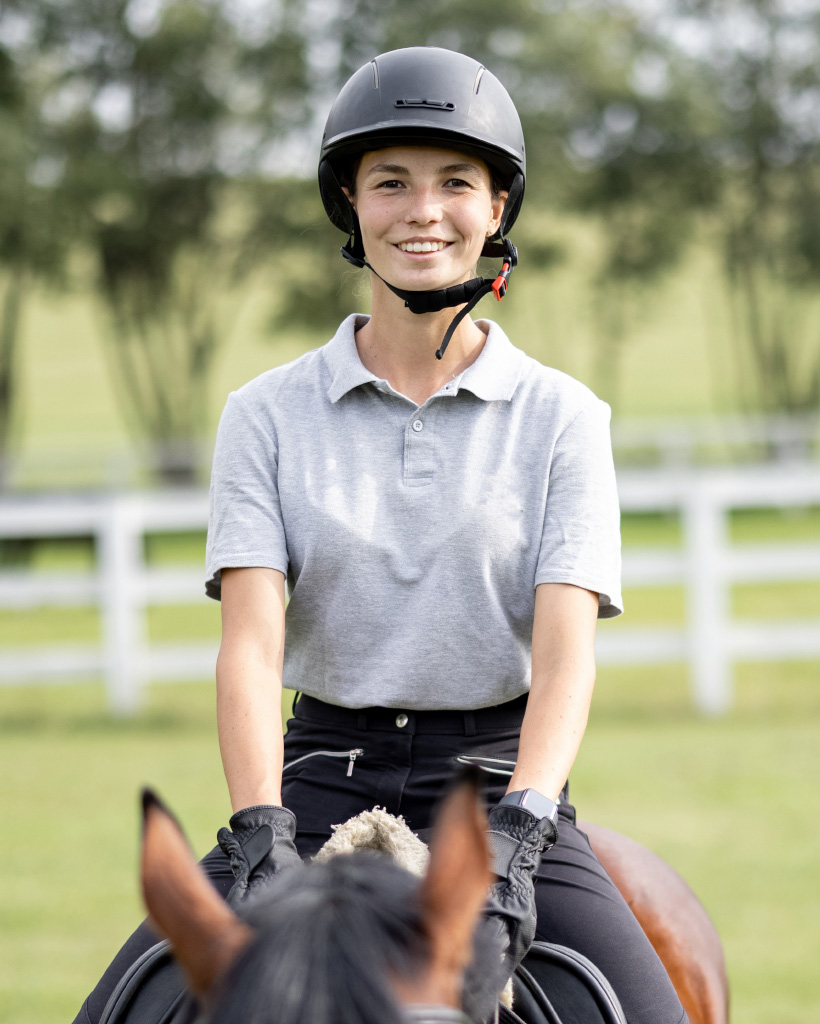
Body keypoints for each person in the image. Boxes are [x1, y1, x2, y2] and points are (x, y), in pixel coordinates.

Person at [73, 46, 687, 1024]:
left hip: (494, 794)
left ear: (496, 211)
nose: (423, 211)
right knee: (113, 1011)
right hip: (317, 775)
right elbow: (250, 645)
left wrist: (523, 835)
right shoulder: (265, 413)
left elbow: (566, 658)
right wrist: (259, 827)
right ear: (350, 206)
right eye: (389, 182)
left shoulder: (563, 417)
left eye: (455, 183)